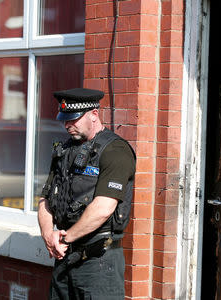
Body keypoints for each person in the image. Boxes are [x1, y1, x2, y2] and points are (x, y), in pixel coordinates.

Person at [38, 88, 136, 299]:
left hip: (98, 263)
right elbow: (45, 199)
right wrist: (48, 235)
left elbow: (103, 208)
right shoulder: (63, 151)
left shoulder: (115, 151)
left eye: (73, 119)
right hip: (64, 259)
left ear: (94, 114)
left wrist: (64, 239)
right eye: (64, 119)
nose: (67, 125)